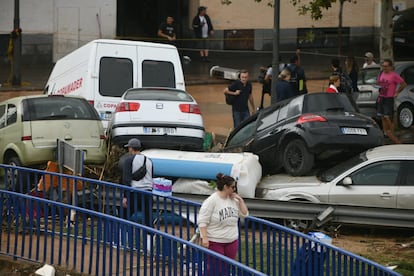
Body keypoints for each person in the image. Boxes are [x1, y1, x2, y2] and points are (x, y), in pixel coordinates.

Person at [198, 173, 249, 276]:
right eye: (233, 187)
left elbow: (244, 214)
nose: (234, 189)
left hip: (231, 239)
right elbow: (202, 221)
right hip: (215, 240)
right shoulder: (211, 201)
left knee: (226, 269)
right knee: (215, 269)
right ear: (226, 187)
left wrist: (240, 200)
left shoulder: (233, 200)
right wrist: (205, 237)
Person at [121, 138, 153, 227]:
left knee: (124, 217)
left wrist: (125, 197)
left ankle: (122, 238)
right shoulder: (149, 161)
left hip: (134, 192)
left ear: (131, 148)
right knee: (148, 219)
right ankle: (149, 239)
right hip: (148, 192)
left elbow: (126, 179)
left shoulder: (128, 160)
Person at [377, 59, 407, 144]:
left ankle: (391, 133)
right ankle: (386, 133)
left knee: (388, 117)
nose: (384, 68)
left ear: (390, 67)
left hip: (389, 98)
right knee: (382, 116)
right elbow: (378, 82)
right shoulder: (381, 73)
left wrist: (397, 92)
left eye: (386, 66)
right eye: (383, 66)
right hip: (381, 97)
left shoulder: (394, 75)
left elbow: (403, 84)